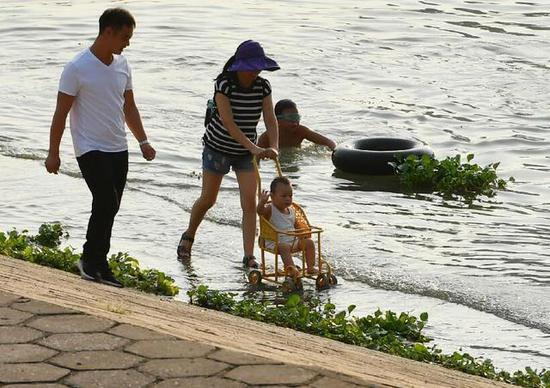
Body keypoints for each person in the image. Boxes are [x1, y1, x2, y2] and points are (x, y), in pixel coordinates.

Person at [45, 8, 156, 287]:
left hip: (118, 146)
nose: (127, 43)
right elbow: (61, 113)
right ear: (108, 31)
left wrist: (143, 141)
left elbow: (129, 106)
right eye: (124, 36)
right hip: (89, 147)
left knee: (111, 206)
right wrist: (53, 152)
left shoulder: (123, 65)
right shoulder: (77, 68)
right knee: (105, 201)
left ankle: (98, 262)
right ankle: (90, 260)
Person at [177, 40, 279, 269]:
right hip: (218, 147)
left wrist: (274, 146)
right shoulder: (224, 84)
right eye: (251, 67)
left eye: (258, 67)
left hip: (246, 154)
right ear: (239, 65)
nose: (255, 72)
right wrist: (254, 147)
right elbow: (228, 122)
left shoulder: (263, 87)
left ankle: (249, 257)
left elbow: (270, 120)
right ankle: (189, 235)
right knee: (208, 199)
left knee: (250, 205)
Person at [256, 176, 318, 278]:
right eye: (284, 196)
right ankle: (291, 269)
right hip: (274, 242)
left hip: (292, 240)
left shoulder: (292, 210)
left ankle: (310, 267)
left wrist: (303, 234)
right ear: (272, 196)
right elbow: (260, 212)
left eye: (290, 196)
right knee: (284, 247)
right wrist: (262, 202)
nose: (288, 199)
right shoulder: (270, 209)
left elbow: (298, 226)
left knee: (309, 242)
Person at [258, 99, 336, 151]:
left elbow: (329, 142)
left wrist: (335, 150)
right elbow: (255, 156)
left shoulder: (301, 131)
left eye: (296, 117)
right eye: (290, 118)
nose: (295, 122)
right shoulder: (266, 137)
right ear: (277, 120)